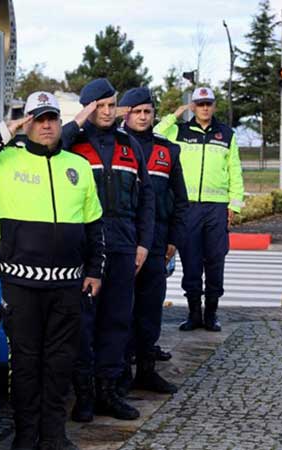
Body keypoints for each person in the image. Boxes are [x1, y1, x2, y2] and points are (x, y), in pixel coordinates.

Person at [0, 91, 104, 450]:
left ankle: (53, 435)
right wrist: (5, 131)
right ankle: (24, 436)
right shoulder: (6, 161)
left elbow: (94, 225)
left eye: (52, 117)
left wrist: (95, 270)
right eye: (39, 119)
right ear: (28, 124)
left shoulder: (78, 166)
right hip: (21, 284)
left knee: (59, 363)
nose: (47, 124)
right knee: (25, 363)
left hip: (68, 285)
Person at [62, 78, 154, 421]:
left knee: (117, 322)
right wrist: (78, 121)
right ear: (88, 108)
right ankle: (83, 396)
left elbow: (146, 200)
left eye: (110, 105)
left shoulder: (129, 146)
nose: (106, 111)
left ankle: (108, 392)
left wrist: (143, 243)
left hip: (123, 245)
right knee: (84, 324)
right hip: (85, 249)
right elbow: (52, 143)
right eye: (99, 105)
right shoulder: (73, 143)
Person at [153, 87, 244, 332]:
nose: (205, 108)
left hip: (216, 208)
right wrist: (175, 114)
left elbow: (235, 171)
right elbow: (154, 132)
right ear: (193, 106)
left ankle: (211, 314)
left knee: (215, 260)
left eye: (209, 104)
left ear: (214, 106)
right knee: (191, 261)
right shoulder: (178, 131)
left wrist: (234, 204)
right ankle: (194, 314)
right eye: (200, 104)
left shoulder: (226, 134)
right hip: (188, 207)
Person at [117, 87, 188, 394]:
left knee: (150, 309)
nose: (143, 117)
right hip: (121, 241)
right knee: (119, 310)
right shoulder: (113, 146)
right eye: (136, 111)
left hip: (157, 243)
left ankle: (146, 371)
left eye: (147, 111)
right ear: (125, 113)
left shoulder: (167, 151)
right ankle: (118, 375)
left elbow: (181, 201)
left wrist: (174, 239)